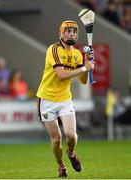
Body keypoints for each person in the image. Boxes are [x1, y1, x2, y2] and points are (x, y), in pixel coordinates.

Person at [36, 20, 95, 177]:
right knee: (56, 139)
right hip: (47, 99)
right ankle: (61, 165)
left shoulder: (76, 54)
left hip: (64, 99)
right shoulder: (53, 49)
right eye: (68, 31)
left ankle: (71, 153)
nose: (72, 34)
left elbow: (82, 81)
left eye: (74, 32)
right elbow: (61, 75)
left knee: (71, 136)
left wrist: (87, 65)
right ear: (61, 34)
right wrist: (84, 68)